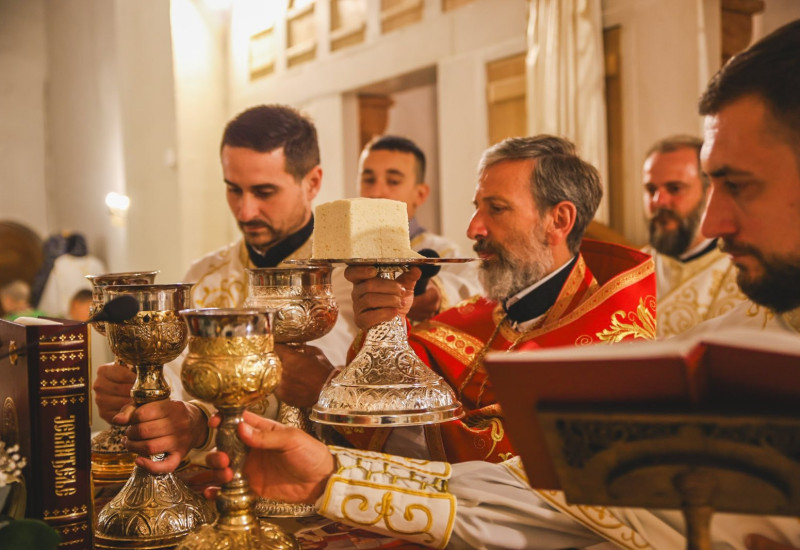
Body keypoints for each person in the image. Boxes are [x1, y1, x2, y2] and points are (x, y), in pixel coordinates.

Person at [203, 18, 800, 549]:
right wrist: (334, 474)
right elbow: (557, 499)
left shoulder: (625, 341)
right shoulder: (745, 338)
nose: (712, 222)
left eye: (739, 184)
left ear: (558, 220)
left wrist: (337, 470)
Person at [340, 134, 656, 462]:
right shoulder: (491, 310)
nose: (473, 229)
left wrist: (326, 383)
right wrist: (384, 326)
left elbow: (507, 469)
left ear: (558, 221)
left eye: (497, 209)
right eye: (478, 207)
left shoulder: (611, 353)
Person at [93, 104, 358, 473]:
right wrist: (141, 399)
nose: (245, 211)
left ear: (312, 182)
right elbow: (177, 389)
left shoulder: (352, 279)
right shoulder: (203, 276)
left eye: (265, 192)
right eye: (234, 190)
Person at [358, 135, 481, 321]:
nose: (376, 192)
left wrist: (437, 292)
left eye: (393, 181)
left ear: (420, 194)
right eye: (368, 180)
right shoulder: (341, 252)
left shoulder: (445, 253)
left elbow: (477, 293)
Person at [641, 135, 745, 337]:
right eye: (651, 189)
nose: (658, 201)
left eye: (674, 189)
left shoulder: (743, 268)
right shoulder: (629, 270)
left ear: (710, 192)